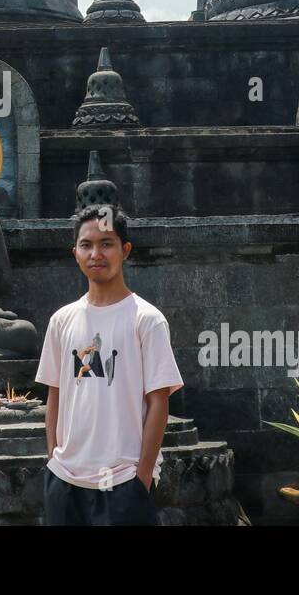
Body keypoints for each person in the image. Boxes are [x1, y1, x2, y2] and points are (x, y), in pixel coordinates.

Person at [36, 204, 183, 526]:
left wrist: (141, 477)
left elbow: (159, 401)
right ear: (74, 252)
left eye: (106, 244)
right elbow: (55, 395)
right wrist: (53, 459)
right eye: (86, 245)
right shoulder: (62, 320)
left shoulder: (146, 319)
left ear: (125, 250)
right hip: (65, 479)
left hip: (123, 481)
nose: (96, 254)